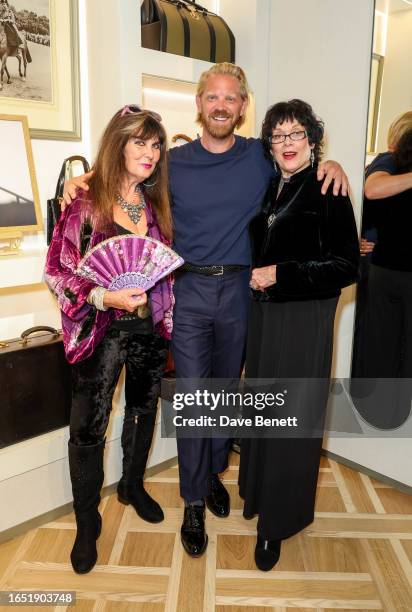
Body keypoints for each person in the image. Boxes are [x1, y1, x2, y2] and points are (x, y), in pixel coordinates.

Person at [62, 62, 349, 558]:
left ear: (242, 106)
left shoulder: (261, 159)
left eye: (231, 98)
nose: (221, 105)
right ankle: (194, 499)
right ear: (199, 104)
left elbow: (296, 167)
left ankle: (214, 471)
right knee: (196, 399)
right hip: (188, 292)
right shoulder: (173, 162)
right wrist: (84, 179)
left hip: (241, 292)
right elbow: (128, 175)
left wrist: (332, 164)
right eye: (212, 97)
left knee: (223, 394)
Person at [45, 106, 174, 574]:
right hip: (100, 331)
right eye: (139, 142)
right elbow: (56, 273)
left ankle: (132, 486)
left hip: (150, 330)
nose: (150, 153)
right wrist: (103, 296)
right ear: (118, 144)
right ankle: (86, 522)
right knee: (88, 428)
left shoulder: (155, 202)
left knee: (143, 411)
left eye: (155, 145)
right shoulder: (85, 204)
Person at [238, 99, 359, 571]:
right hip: (266, 319)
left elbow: (347, 265)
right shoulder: (272, 187)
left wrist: (279, 275)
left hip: (305, 320)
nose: (287, 143)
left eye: (296, 134)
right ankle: (258, 496)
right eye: (279, 135)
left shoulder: (328, 188)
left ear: (312, 140)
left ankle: (278, 524)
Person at [356, 112, 412, 383]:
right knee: (381, 347)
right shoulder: (388, 160)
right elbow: (372, 190)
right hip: (385, 267)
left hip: (391, 268)